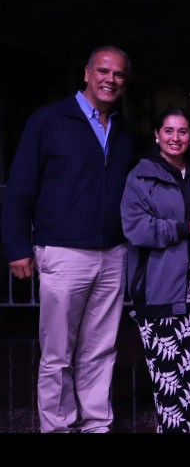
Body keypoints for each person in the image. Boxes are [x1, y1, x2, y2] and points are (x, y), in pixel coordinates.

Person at [1, 45, 136, 433]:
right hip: (62, 252)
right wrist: (17, 247)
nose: (110, 80)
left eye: (119, 74)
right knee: (58, 351)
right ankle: (58, 426)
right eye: (103, 71)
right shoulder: (48, 121)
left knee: (101, 348)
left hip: (113, 253)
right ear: (87, 73)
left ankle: (96, 424)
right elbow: (20, 188)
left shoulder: (124, 130)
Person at [121, 107, 190, 433]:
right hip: (157, 281)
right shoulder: (141, 176)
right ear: (156, 135)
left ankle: (181, 427)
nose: (175, 138)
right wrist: (184, 228)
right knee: (165, 365)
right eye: (168, 131)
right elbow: (136, 228)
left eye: (182, 131)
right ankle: (173, 429)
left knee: (187, 361)